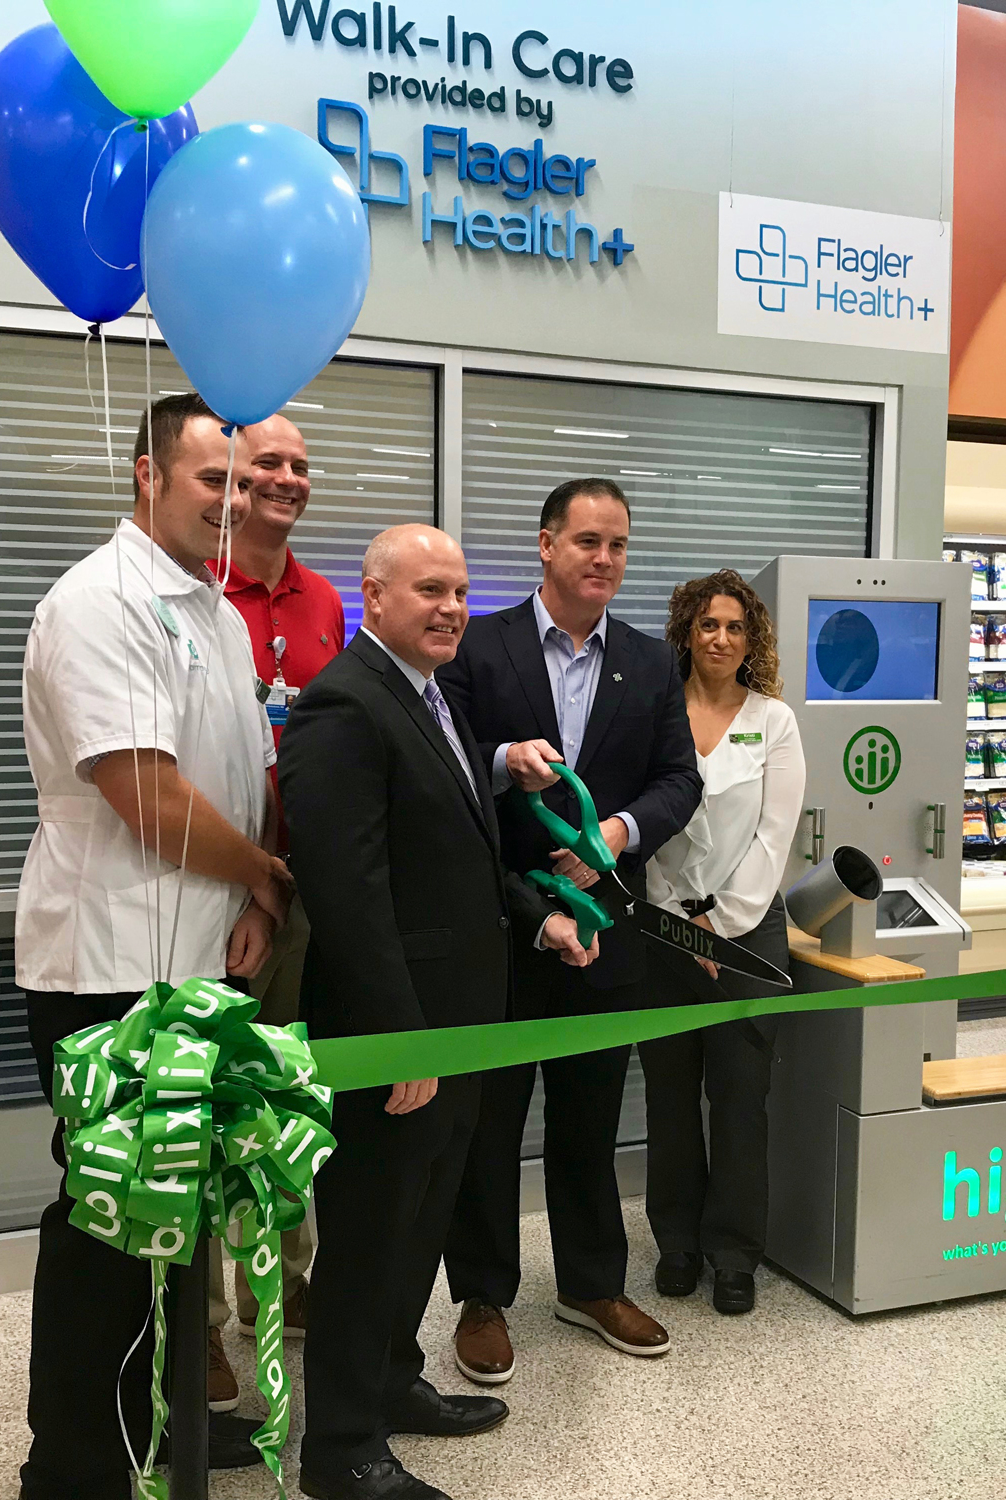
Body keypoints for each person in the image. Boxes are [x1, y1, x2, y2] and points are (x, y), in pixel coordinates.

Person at [277, 524, 599, 1500]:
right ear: (372, 597)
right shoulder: (343, 704)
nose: (451, 608)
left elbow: (461, 858)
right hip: (399, 1036)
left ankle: (391, 1382)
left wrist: (538, 921)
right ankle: (339, 1450)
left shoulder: (431, 701)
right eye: (428, 591)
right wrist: (397, 1035)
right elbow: (346, 892)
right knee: (369, 1236)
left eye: (458, 592)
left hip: (464, 1025)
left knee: (418, 1229)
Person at [14, 392, 289, 1498]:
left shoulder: (214, 612)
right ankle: (75, 1465)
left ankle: (164, 1424)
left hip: (200, 960)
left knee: (180, 1217)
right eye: (209, 479)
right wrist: (265, 876)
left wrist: (257, 905)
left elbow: (236, 780)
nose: (231, 501)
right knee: (106, 1222)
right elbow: (147, 794)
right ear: (145, 476)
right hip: (108, 968)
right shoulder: (100, 601)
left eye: (241, 481)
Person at [438, 478, 702, 1382]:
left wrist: (617, 837)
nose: (604, 559)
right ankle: (481, 1295)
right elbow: (441, 769)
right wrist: (502, 762)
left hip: (605, 932)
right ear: (546, 545)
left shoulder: (649, 661)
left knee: (590, 1121)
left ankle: (590, 1284)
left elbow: (680, 780)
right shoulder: (479, 646)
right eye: (588, 541)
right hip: (502, 932)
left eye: (619, 544)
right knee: (489, 1124)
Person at [203, 410, 346, 1406]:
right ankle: (205, 1324)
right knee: (205, 1114)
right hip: (197, 894)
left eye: (298, 465)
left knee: (283, 1103)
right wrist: (243, 875)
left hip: (299, 894)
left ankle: (282, 1288)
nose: (286, 480)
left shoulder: (326, 599)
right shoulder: (190, 593)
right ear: (226, 480)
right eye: (267, 465)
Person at [638, 570, 805, 1315]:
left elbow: (774, 840)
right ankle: (676, 1242)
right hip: (662, 925)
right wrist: (678, 916)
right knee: (670, 1094)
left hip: (748, 933)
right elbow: (639, 823)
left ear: (751, 639)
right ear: (686, 631)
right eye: (708, 624)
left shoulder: (774, 721)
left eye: (735, 627)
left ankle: (734, 1252)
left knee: (740, 1098)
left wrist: (721, 921)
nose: (721, 639)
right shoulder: (655, 710)